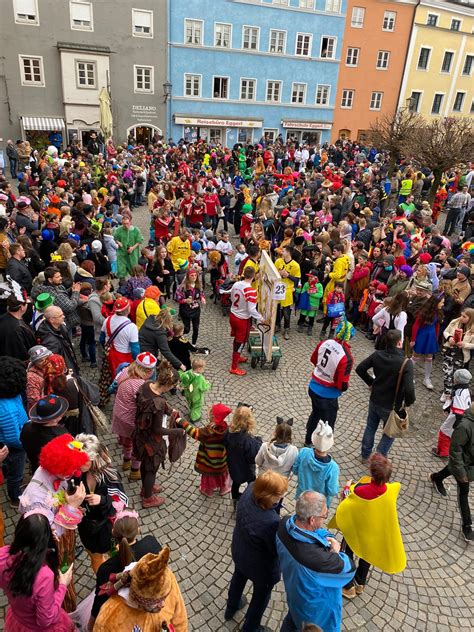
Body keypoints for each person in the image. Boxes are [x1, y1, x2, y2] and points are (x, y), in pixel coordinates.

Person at [19, 434, 89, 612]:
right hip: (47, 550)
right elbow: (51, 534)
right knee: (56, 582)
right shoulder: (36, 499)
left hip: (57, 538)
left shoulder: (53, 469)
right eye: (72, 470)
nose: (73, 474)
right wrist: (71, 507)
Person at [276, 491, 355, 632]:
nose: (325, 518)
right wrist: (337, 553)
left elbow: (314, 533)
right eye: (324, 516)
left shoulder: (284, 524)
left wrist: (327, 536)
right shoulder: (319, 561)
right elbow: (349, 568)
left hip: (296, 599)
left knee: (293, 621)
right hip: (317, 615)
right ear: (312, 520)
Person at [334, 454, 406, 599]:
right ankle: (360, 582)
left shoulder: (359, 490)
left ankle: (348, 586)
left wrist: (348, 486)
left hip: (356, 528)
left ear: (372, 473)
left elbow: (347, 500)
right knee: (367, 555)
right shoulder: (391, 490)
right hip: (374, 529)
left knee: (347, 551)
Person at [225, 471, 288, 632]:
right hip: (260, 568)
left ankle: (231, 607)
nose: (281, 498)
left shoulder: (251, 489)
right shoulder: (271, 522)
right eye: (279, 495)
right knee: (260, 597)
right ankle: (251, 628)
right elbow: (275, 550)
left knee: (238, 576)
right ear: (269, 496)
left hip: (240, 550)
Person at [0, 512, 75, 632]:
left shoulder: (3, 555)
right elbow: (45, 619)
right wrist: (62, 586)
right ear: (45, 541)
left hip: (18, 619)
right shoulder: (44, 576)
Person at [89, 508, 162, 628]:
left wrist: (90, 625)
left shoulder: (105, 569)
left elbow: (100, 600)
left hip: (120, 612)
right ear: (138, 530)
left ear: (113, 532)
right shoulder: (152, 544)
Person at [92, 546, 188, 632]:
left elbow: (180, 619)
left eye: (164, 598)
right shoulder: (108, 619)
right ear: (138, 598)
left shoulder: (166, 580)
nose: (163, 604)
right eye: (156, 602)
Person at [133, 360, 185, 508]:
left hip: (140, 435)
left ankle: (146, 489)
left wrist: (170, 411)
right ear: (168, 385)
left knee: (145, 464)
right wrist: (177, 431)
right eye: (173, 386)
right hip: (151, 441)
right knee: (151, 469)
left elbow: (154, 407)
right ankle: (148, 498)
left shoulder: (147, 385)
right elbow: (157, 429)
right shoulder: (159, 402)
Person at [357, 329, 416, 461]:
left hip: (375, 399)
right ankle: (379, 458)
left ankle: (365, 454)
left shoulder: (377, 355)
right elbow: (410, 389)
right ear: (399, 343)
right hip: (392, 405)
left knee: (370, 427)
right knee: (390, 433)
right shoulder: (406, 363)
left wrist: (371, 382)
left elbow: (360, 369)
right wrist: (408, 402)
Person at [76, 433, 127, 573]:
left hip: (106, 529)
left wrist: (102, 500)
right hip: (86, 527)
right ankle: (102, 581)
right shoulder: (78, 473)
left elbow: (121, 503)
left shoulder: (110, 476)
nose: (78, 464)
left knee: (115, 557)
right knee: (95, 558)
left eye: (82, 460)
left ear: (94, 459)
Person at [304, 318, 354, 443]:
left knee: (315, 413)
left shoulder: (325, 342)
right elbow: (341, 384)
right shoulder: (346, 356)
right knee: (328, 424)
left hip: (314, 387)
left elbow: (314, 359)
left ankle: (308, 440)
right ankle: (322, 449)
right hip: (328, 395)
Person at [430, 404, 474, 542]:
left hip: (467, 463)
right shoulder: (465, 426)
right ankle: (467, 526)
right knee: (463, 492)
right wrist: (461, 472)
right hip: (463, 465)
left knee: (450, 468)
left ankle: (436, 478)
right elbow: (455, 450)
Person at [111, 352, 157, 479]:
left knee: (126, 441)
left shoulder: (125, 371)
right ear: (148, 371)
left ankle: (126, 461)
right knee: (138, 446)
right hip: (131, 421)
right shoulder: (142, 386)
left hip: (119, 414)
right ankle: (135, 471)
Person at [177, 402, 233, 497]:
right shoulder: (226, 428)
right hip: (221, 461)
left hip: (208, 461)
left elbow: (195, 433)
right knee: (222, 474)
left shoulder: (208, 431)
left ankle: (208, 491)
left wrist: (183, 422)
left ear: (212, 417)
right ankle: (224, 488)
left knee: (209, 476)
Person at [0, 357, 28, 507]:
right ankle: (15, 497)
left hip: (10, 444)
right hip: (15, 448)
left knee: (11, 468)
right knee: (15, 474)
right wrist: (26, 444)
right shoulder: (6, 409)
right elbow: (13, 438)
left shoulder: (11, 394)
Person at [293, 421, 339, 506]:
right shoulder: (333, 467)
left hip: (302, 498)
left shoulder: (304, 452)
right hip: (319, 505)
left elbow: (295, 470)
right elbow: (332, 491)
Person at [20, 394, 70, 473]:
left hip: (37, 469)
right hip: (55, 474)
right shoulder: (61, 437)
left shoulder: (26, 427)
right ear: (57, 417)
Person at [226, 405, 263, 510]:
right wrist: (258, 441)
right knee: (252, 485)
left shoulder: (229, 433)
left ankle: (234, 502)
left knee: (235, 485)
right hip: (247, 469)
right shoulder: (249, 440)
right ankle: (249, 502)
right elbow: (253, 457)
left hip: (234, 467)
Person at [229, 266, 263, 375]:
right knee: (241, 342)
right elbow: (251, 309)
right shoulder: (251, 290)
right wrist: (261, 319)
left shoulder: (236, 284)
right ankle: (234, 367)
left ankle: (236, 358)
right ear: (253, 276)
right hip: (242, 319)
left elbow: (231, 296)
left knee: (237, 340)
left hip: (233, 315)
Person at [433, 369, 472, 458]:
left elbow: (459, 411)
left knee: (444, 432)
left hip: (457, 419)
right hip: (461, 418)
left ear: (457, 380)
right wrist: (447, 408)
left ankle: (442, 452)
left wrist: (455, 425)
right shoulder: (464, 389)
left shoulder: (459, 393)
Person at [100, 297, 139, 377]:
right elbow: (135, 350)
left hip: (110, 355)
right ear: (128, 309)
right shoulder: (132, 327)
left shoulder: (107, 320)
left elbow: (101, 339)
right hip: (125, 357)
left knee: (112, 375)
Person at [37, 306, 80, 374]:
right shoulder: (50, 340)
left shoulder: (60, 326)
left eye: (63, 314)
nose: (64, 317)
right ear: (52, 320)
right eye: (60, 316)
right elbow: (54, 363)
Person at [275, 246, 301, 340]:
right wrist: (279, 273)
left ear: (289, 253)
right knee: (277, 309)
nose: (282, 251)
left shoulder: (295, 265)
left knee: (286, 311)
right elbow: (273, 273)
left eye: (284, 250)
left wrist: (287, 275)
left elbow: (297, 280)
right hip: (277, 288)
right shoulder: (278, 261)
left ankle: (287, 328)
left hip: (288, 290)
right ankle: (277, 325)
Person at [0, 294, 36, 361]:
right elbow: (20, 355)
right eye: (26, 303)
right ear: (22, 307)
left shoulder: (4, 317)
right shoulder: (16, 329)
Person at [175, 267, 205, 344]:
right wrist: (185, 300)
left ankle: (194, 344)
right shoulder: (183, 287)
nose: (194, 277)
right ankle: (177, 336)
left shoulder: (198, 285)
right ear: (188, 276)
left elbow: (201, 293)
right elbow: (178, 298)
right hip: (185, 310)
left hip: (195, 310)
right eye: (192, 275)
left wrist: (202, 298)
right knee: (187, 329)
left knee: (196, 328)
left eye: (195, 275)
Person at [179, 357, 211, 422]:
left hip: (189, 393)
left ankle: (191, 409)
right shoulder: (200, 378)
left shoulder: (189, 372)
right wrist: (208, 384)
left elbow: (184, 379)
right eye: (203, 369)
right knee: (197, 406)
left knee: (190, 402)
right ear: (199, 369)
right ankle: (194, 417)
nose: (203, 370)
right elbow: (203, 388)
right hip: (196, 396)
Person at [114, 215, 144, 280]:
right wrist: (118, 242)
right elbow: (115, 238)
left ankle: (135, 283)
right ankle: (122, 285)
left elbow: (140, 240)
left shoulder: (135, 230)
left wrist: (133, 248)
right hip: (122, 253)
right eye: (124, 224)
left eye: (127, 223)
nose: (125, 225)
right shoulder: (119, 230)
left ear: (130, 222)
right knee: (121, 271)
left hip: (133, 254)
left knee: (134, 270)